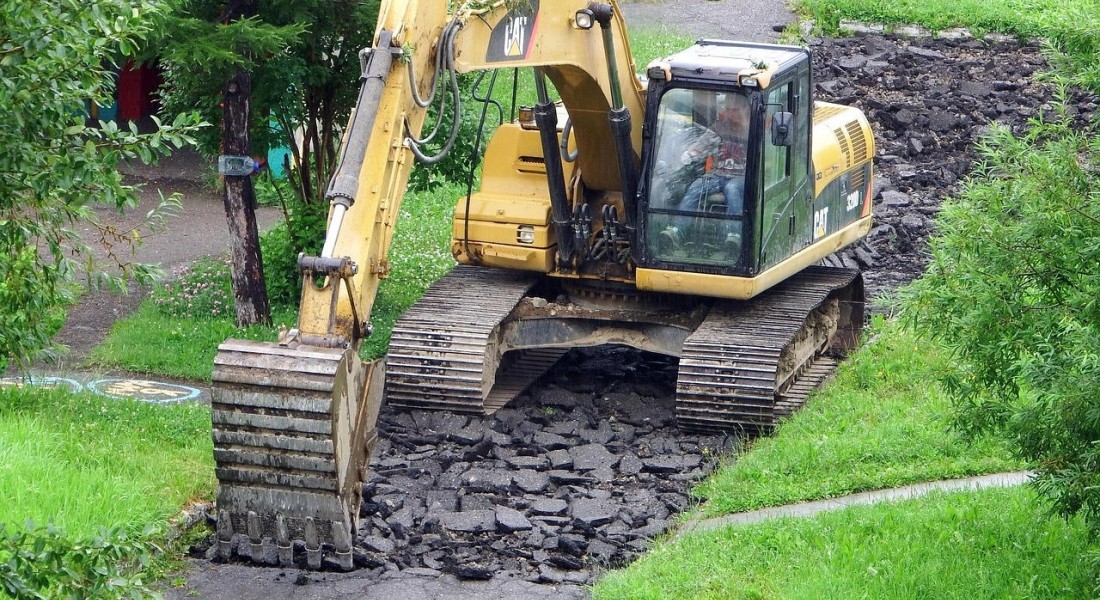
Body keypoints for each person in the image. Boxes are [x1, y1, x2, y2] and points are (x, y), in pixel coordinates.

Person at [678, 93, 750, 216]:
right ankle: (677, 229)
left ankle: (734, 232)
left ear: (745, 109)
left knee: (732, 189)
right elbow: (700, 147)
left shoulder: (753, 132)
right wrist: (689, 154)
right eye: (728, 110)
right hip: (716, 176)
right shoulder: (718, 129)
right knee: (696, 187)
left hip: (741, 177)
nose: (730, 115)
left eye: (735, 110)